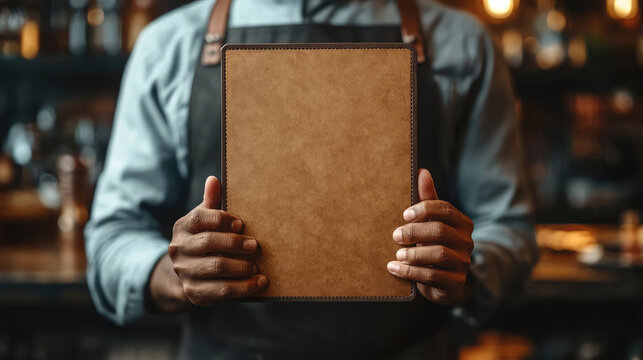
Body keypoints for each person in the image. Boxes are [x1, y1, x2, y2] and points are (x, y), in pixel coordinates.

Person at [85, 0, 539, 358]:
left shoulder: (462, 44)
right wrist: (173, 273)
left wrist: (464, 271)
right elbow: (111, 238)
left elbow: (510, 231)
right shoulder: (167, 48)